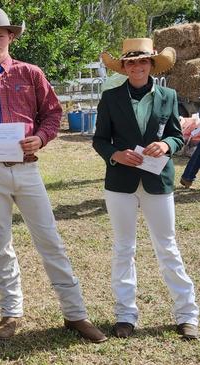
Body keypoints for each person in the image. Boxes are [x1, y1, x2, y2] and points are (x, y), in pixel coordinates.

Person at [0, 7, 106, 343]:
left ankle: (75, 313)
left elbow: (52, 113)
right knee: (0, 244)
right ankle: (11, 312)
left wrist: (42, 136)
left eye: (0, 35)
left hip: (28, 170)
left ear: (11, 37)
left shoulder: (31, 74)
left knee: (50, 240)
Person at [94, 38, 199, 339]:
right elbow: (100, 139)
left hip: (157, 181)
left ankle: (187, 313)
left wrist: (166, 144)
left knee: (167, 247)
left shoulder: (168, 95)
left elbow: (178, 137)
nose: (137, 66)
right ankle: (125, 314)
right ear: (124, 67)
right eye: (130, 62)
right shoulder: (110, 98)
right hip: (120, 183)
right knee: (123, 248)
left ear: (152, 65)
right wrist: (115, 154)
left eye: (143, 61)